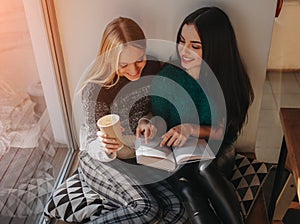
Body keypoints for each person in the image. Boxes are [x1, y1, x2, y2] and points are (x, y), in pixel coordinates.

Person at [137, 7, 254, 224]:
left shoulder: (225, 81)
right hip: (180, 157)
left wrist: (191, 129)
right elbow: (159, 117)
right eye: (182, 41)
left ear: (214, 49)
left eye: (195, 46)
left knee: (205, 168)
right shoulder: (169, 77)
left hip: (216, 153)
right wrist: (150, 124)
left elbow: (226, 131)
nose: (184, 51)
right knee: (187, 188)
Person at [78, 17, 187, 223]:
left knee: (177, 210)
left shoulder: (152, 68)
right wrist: (105, 146)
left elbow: (153, 112)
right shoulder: (95, 89)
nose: (134, 70)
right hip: (100, 162)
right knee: (146, 209)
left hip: (137, 157)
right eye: (124, 64)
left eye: (139, 59)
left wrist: (148, 122)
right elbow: (93, 142)